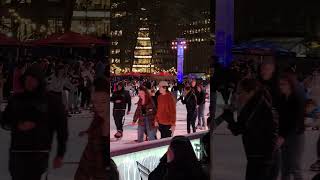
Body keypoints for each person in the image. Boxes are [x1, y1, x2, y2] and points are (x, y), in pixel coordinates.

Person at [0, 66, 68, 180]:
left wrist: (60, 154)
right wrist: (17, 125)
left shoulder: (51, 101)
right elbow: (5, 120)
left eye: (33, 79)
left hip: (39, 152)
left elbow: (62, 129)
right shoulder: (17, 99)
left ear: (40, 81)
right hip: (18, 152)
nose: (29, 82)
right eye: (27, 79)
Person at [221, 78, 278, 180]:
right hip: (260, 155)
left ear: (251, 92)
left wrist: (230, 120)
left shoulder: (255, 107)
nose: (238, 96)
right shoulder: (255, 103)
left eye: (240, 92)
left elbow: (240, 128)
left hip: (262, 156)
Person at [75, 77, 108, 180]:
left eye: (103, 101)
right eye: (95, 102)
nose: (98, 107)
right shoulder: (96, 128)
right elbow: (85, 165)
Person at [278, 73, 305, 180]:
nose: (281, 86)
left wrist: (282, 136)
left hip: (295, 135)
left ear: (291, 85)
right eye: (280, 84)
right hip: (284, 135)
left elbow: (295, 121)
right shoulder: (283, 98)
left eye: (283, 84)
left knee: (295, 166)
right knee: (285, 167)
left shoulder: (297, 98)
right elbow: (282, 120)